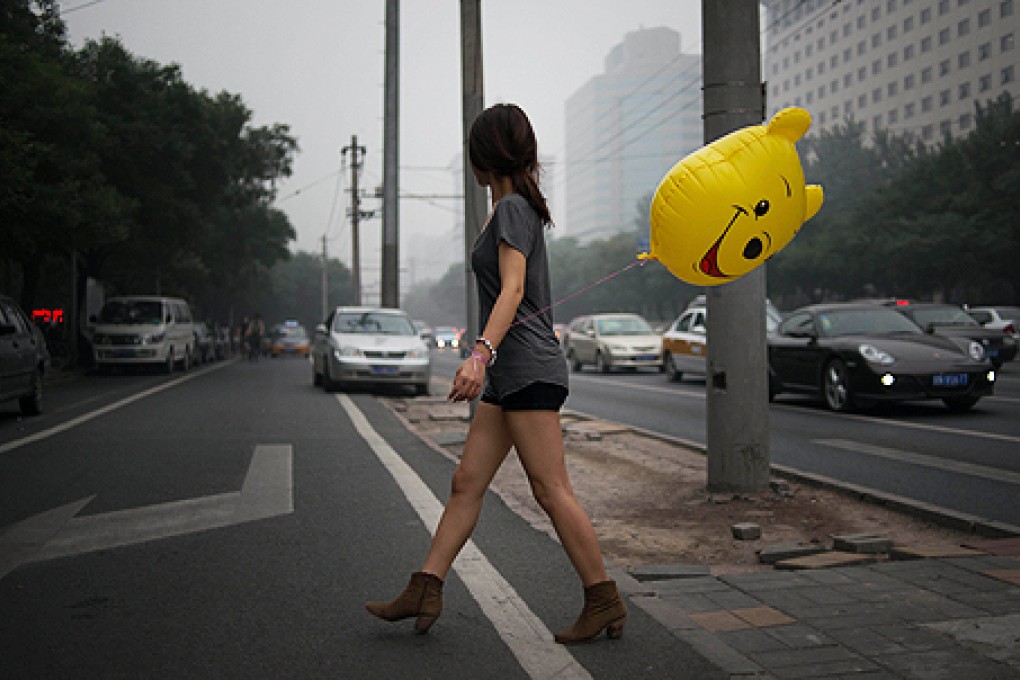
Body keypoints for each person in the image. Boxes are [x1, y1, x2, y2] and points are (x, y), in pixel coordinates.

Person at [365, 103, 625, 645]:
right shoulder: (512, 208)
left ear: (483, 156)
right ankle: (426, 585)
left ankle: (603, 598)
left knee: (551, 489)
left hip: (524, 365)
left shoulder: (510, 210)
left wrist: (479, 354)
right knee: (467, 483)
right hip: (514, 371)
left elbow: (511, 289)